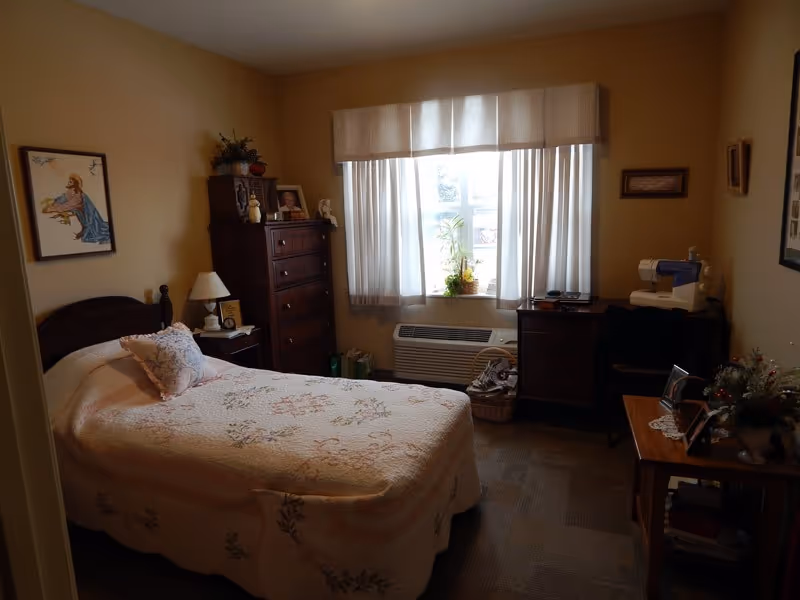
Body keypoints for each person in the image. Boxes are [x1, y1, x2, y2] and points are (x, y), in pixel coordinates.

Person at [42, 173, 110, 243]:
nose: (68, 182)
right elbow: (62, 199)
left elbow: (67, 205)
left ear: (75, 184)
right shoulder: (71, 191)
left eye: (71, 181)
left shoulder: (79, 196)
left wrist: (52, 209)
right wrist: (54, 204)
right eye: (69, 181)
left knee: (87, 238)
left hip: (91, 219)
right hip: (83, 217)